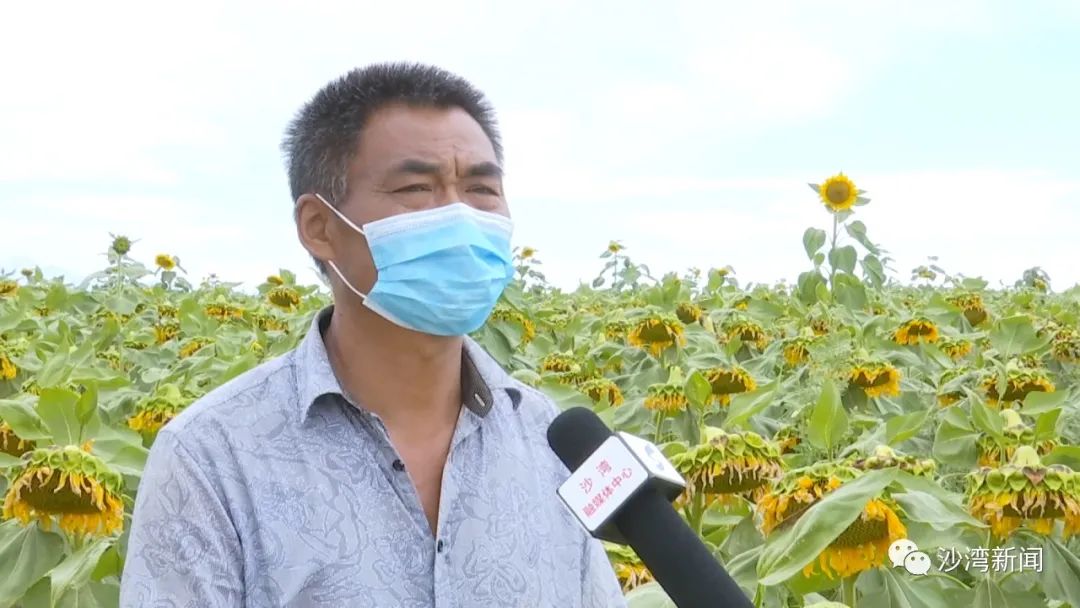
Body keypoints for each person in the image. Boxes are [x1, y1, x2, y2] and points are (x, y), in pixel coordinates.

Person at [119, 62, 628, 607]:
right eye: (416, 187)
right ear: (320, 227)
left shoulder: (553, 443)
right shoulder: (213, 458)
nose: (459, 217)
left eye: (481, 188)